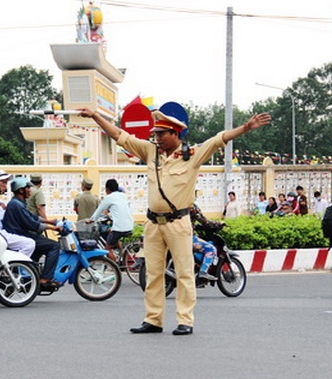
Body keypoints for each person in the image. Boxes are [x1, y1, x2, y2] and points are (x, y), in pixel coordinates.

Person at [79, 105, 271, 336]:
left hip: (178, 223)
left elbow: (218, 139)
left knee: (184, 272)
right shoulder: (150, 152)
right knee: (153, 274)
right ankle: (153, 319)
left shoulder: (192, 154)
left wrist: (246, 127)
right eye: (155, 134)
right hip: (153, 224)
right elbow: (119, 135)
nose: (156, 138)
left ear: (175, 134)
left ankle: (185, 320)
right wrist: (96, 116)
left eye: (161, 134)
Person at [2, 177, 63, 288]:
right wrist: (52, 228)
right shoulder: (16, 204)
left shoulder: (18, 203)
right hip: (20, 235)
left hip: (22, 233)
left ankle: (32, 272)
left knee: (42, 245)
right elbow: (31, 223)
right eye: (28, 188)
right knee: (54, 246)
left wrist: (49, 221)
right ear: (21, 190)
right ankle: (45, 278)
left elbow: (32, 216)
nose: (30, 190)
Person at [86, 178, 133, 263]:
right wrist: (110, 215)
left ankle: (115, 267)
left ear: (107, 189)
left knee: (107, 248)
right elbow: (120, 210)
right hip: (129, 225)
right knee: (109, 231)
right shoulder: (123, 195)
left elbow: (99, 210)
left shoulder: (109, 198)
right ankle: (122, 254)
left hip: (119, 227)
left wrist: (91, 220)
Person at [189, 203, 219, 282]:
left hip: (170, 236)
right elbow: (204, 221)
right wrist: (216, 224)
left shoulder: (174, 204)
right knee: (211, 249)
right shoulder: (191, 206)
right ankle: (203, 271)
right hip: (187, 238)